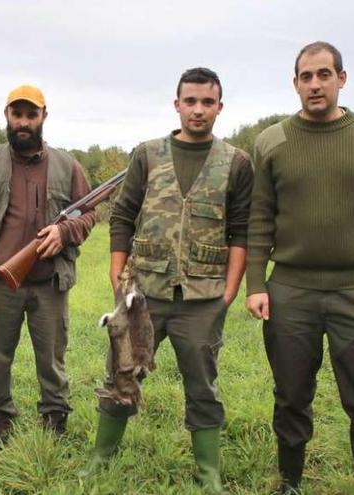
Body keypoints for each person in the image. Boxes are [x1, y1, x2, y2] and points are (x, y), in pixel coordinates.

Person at [245, 41, 354, 495]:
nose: (315, 84)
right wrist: (256, 283)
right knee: (291, 397)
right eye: (306, 76)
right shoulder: (271, 142)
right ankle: (290, 481)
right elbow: (260, 217)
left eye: (324, 74)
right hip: (290, 292)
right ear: (295, 84)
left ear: (342, 79)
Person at [82, 67, 253, 492]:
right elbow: (122, 215)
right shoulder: (148, 154)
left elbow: (243, 231)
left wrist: (228, 292)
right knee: (122, 372)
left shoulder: (237, 162)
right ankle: (101, 460)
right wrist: (117, 274)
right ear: (177, 104)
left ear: (219, 107)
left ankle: (208, 472)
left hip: (203, 295)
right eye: (190, 101)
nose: (198, 110)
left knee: (202, 385)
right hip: (144, 294)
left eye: (207, 102)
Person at [0, 85, 95, 448]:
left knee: (52, 356)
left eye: (31, 114)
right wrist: (3, 256)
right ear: (6, 115)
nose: (23, 122)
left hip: (49, 281)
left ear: (44, 116)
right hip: (1, 280)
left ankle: (54, 416)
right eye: (16, 114)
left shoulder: (67, 165)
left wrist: (64, 231)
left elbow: (88, 214)